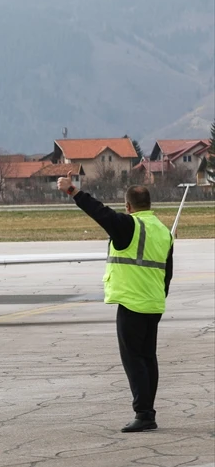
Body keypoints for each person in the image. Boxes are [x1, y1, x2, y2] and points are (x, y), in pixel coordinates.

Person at [58, 177, 173, 433]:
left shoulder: (128, 225)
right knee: (147, 358)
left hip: (132, 302)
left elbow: (99, 212)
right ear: (149, 204)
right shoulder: (163, 231)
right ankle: (148, 411)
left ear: (128, 206)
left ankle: (144, 414)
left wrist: (72, 190)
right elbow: (168, 272)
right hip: (153, 303)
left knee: (134, 360)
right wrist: (158, 297)